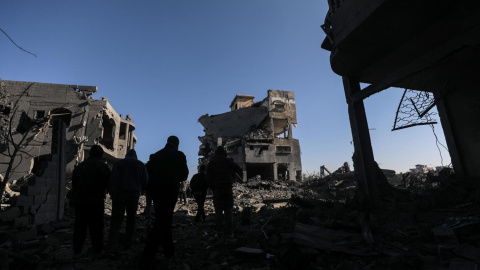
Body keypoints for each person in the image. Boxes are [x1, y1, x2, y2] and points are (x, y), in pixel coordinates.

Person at [140, 136, 189, 268]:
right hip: (170, 191)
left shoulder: (155, 156)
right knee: (162, 222)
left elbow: (147, 175)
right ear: (177, 144)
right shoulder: (179, 155)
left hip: (156, 192)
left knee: (164, 220)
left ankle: (169, 253)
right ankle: (147, 255)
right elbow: (184, 175)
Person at [70, 145, 110, 256]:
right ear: (100, 155)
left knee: (79, 227)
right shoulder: (102, 166)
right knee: (96, 227)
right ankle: (97, 249)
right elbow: (108, 182)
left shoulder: (80, 167)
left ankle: (77, 250)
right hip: (95, 201)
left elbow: (74, 183)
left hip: (80, 201)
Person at [107, 149, 148, 253]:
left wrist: (112, 192)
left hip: (119, 195)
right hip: (133, 195)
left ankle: (112, 246)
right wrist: (141, 189)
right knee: (131, 219)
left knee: (116, 220)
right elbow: (145, 180)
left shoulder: (119, 163)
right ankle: (128, 243)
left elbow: (113, 179)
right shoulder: (140, 165)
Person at [206, 146, 242, 237]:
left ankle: (219, 231)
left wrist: (212, 187)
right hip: (227, 187)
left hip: (217, 189)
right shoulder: (227, 160)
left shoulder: (212, 162)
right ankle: (229, 232)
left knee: (218, 211)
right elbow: (238, 169)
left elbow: (208, 177)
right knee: (228, 210)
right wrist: (233, 178)